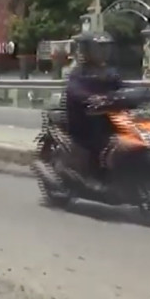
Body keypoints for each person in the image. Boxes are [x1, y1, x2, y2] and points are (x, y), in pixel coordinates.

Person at [63, 31, 122, 184]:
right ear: (87, 50)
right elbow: (74, 90)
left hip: (108, 117)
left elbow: (122, 88)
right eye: (99, 48)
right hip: (85, 121)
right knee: (98, 141)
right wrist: (90, 98)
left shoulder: (110, 72)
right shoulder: (78, 72)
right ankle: (94, 177)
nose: (104, 52)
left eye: (106, 48)